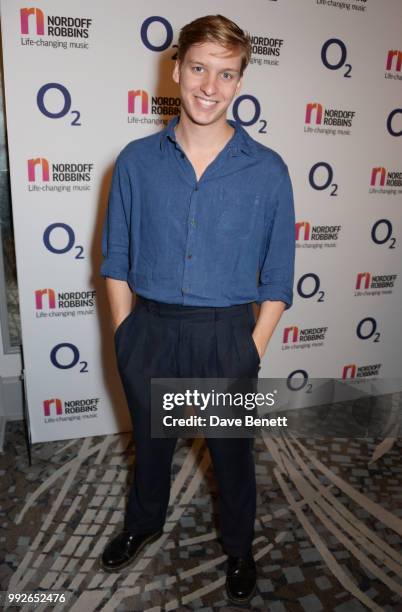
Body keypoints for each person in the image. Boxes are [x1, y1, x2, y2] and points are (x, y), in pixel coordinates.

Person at [99, 14, 295, 605]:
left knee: (233, 457)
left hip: (225, 335)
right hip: (150, 329)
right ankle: (143, 522)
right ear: (178, 68)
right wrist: (126, 334)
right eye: (201, 68)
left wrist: (250, 348)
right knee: (151, 445)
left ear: (240, 82)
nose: (211, 86)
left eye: (227, 74)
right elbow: (116, 261)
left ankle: (238, 548)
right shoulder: (134, 161)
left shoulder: (268, 169)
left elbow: (280, 277)